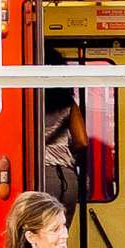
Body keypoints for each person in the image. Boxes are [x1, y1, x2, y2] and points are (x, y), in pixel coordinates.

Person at [40, 88, 89, 220]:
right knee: (62, 232)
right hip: (67, 176)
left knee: (42, 232)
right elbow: (82, 141)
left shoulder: (32, 101)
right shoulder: (68, 102)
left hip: (42, 174)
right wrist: (66, 151)